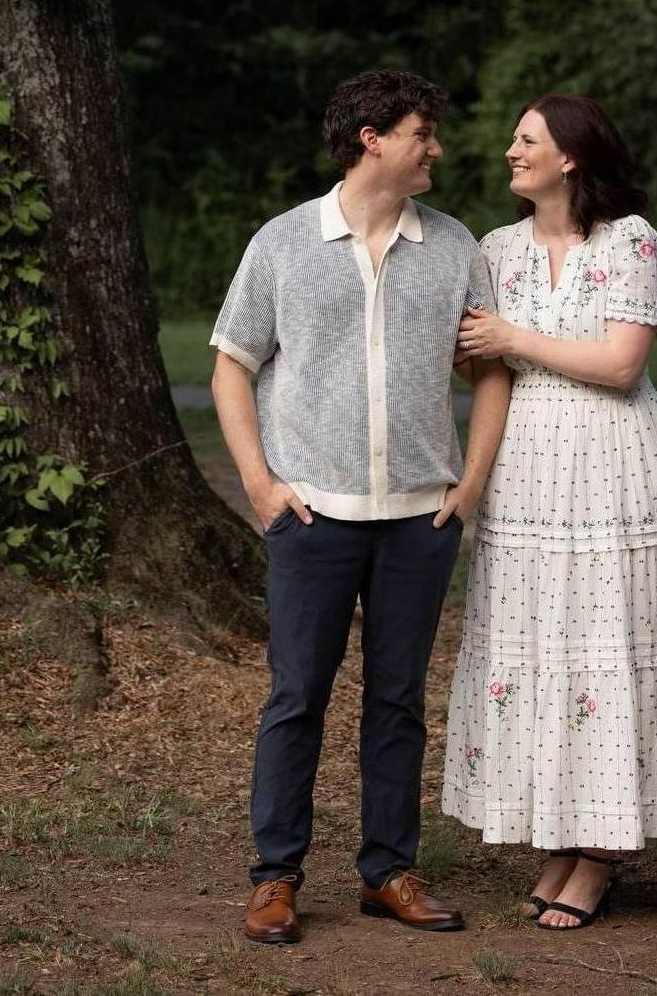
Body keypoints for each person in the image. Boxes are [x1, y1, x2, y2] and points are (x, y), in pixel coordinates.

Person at [211, 69, 510, 944]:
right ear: (372, 138)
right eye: (423, 133)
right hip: (311, 516)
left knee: (398, 700)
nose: (436, 149)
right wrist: (260, 483)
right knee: (296, 696)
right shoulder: (283, 243)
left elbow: (491, 371)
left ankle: (388, 871)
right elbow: (231, 364)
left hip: (421, 519)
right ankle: (275, 877)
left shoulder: (453, 247)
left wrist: (469, 486)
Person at [441, 93, 657, 930]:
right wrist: (472, 353)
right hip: (526, 468)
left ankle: (600, 854)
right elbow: (484, 367)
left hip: (612, 463)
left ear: (569, 156)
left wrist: (512, 339)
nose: (510, 150)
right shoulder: (496, 250)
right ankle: (560, 836)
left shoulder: (630, 241)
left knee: (608, 638)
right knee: (541, 639)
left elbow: (621, 363)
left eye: (526, 139)